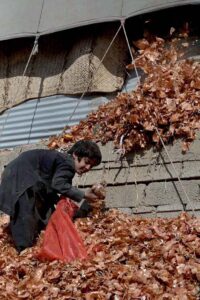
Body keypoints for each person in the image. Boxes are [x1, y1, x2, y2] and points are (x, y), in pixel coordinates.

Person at [0, 140, 102, 252]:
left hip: (22, 176)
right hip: (22, 179)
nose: (87, 167)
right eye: (86, 162)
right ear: (75, 155)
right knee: (25, 213)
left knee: (47, 212)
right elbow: (59, 185)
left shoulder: (60, 160)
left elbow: (51, 189)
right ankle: (23, 252)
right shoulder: (67, 162)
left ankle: (40, 243)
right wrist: (84, 194)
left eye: (91, 166)